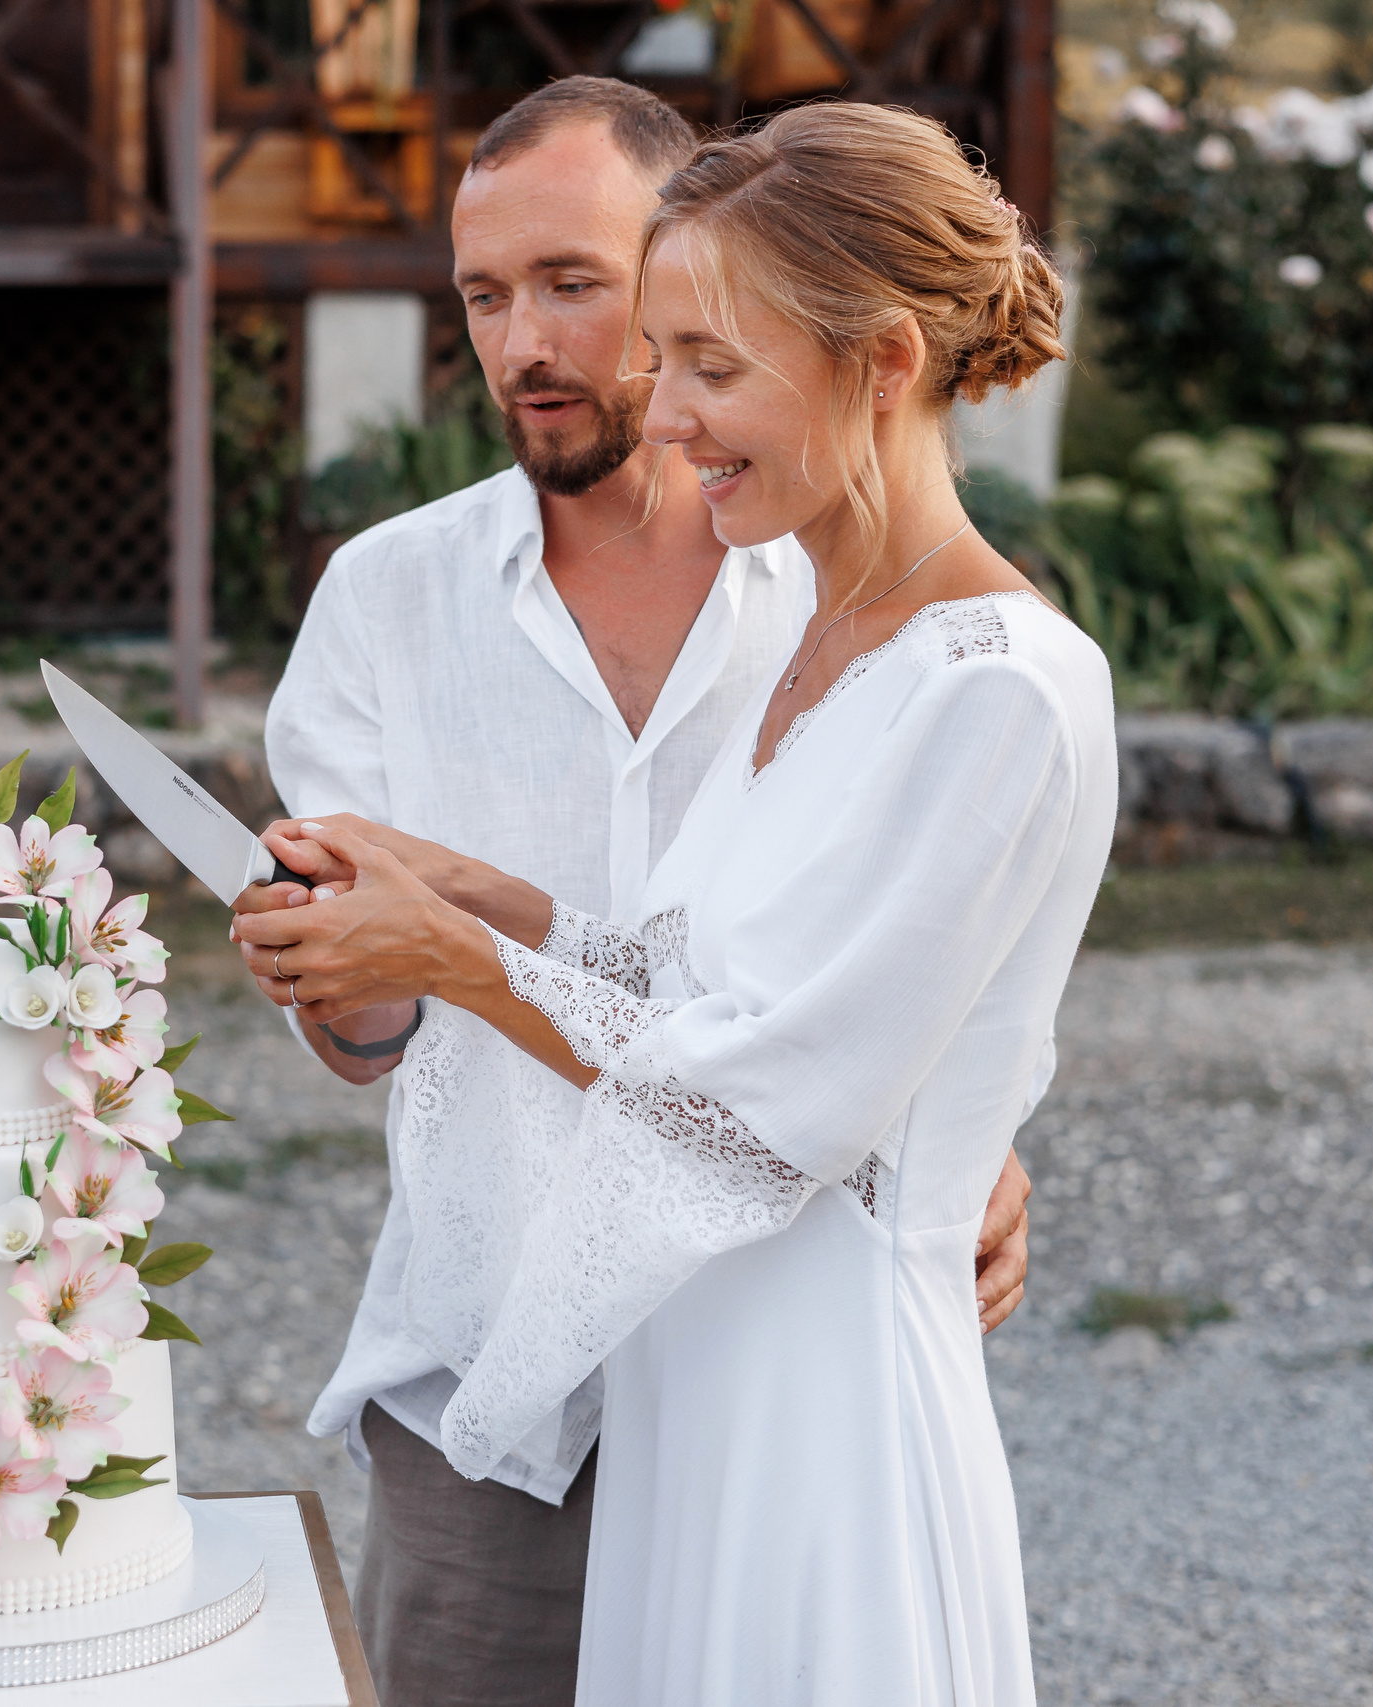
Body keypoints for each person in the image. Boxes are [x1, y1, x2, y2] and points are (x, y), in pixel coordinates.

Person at [237, 101, 1113, 1704]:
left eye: (699, 356)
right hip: (620, 1368)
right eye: (482, 297)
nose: (665, 403)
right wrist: (461, 907)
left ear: (881, 359)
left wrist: (462, 953)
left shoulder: (986, 678)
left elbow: (777, 1100)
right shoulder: (832, 648)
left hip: (806, 1408)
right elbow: (693, 977)